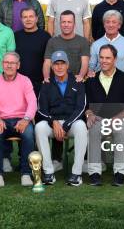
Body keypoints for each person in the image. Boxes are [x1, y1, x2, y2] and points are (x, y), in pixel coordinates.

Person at [35, 51, 87, 186]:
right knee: (39, 127)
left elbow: (81, 108)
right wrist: (54, 122)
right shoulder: (46, 84)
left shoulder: (77, 82)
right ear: (52, 66)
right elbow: (42, 109)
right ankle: (48, 172)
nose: (59, 67)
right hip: (53, 123)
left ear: (67, 65)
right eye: (56, 64)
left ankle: (76, 173)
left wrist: (66, 125)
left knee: (81, 126)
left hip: (71, 123)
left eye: (62, 64)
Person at [85, 44, 124, 187]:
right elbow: (86, 105)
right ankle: (94, 173)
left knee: (121, 130)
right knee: (93, 128)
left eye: (108, 58)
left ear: (115, 59)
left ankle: (120, 173)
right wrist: (89, 114)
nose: (104, 61)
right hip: (98, 118)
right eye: (101, 57)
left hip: (118, 118)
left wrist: (118, 118)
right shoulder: (91, 80)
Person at [0, 52, 37, 187]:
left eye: (12, 63)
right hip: (2, 120)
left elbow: (32, 102)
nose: (9, 65)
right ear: (2, 64)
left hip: (22, 119)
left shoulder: (25, 80)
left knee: (28, 135)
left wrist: (26, 119)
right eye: (6, 62)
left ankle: (26, 174)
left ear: (18, 65)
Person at [43, 10, 89, 83]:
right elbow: (47, 62)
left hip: (76, 81)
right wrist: (46, 77)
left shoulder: (83, 41)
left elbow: (85, 62)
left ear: (74, 24)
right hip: (56, 81)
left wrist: (81, 76)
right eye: (63, 22)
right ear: (60, 24)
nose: (66, 25)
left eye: (69, 22)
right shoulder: (52, 41)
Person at [14, 6, 51, 96]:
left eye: (31, 16)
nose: (28, 19)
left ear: (36, 18)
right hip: (18, 83)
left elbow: (49, 60)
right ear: (21, 19)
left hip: (39, 83)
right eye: (25, 17)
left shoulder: (45, 36)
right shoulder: (15, 36)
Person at [88, 10, 124, 75]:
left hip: (121, 83)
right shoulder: (95, 45)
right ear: (104, 25)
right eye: (107, 22)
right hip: (100, 82)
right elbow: (91, 66)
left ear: (119, 25)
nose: (110, 25)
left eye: (114, 22)